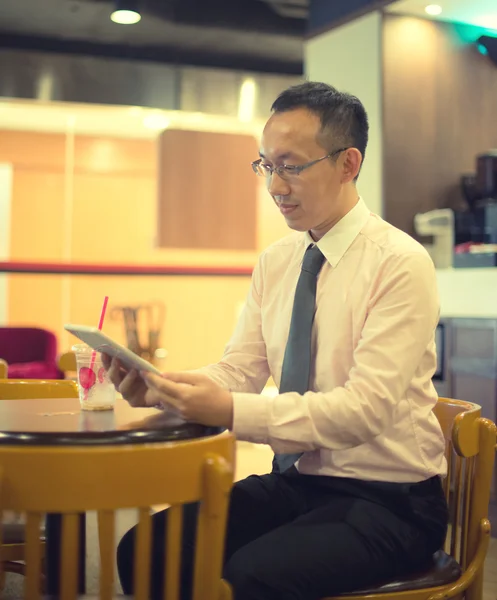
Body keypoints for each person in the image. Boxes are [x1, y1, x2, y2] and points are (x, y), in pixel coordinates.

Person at [104, 81, 448, 600]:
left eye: (291, 166)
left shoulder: (400, 264)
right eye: (266, 165)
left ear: (348, 163)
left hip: (391, 501)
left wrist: (229, 410)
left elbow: (363, 412)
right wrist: (167, 389)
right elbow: (239, 370)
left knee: (254, 576)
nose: (274, 186)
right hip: (299, 482)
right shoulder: (277, 261)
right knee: (146, 548)